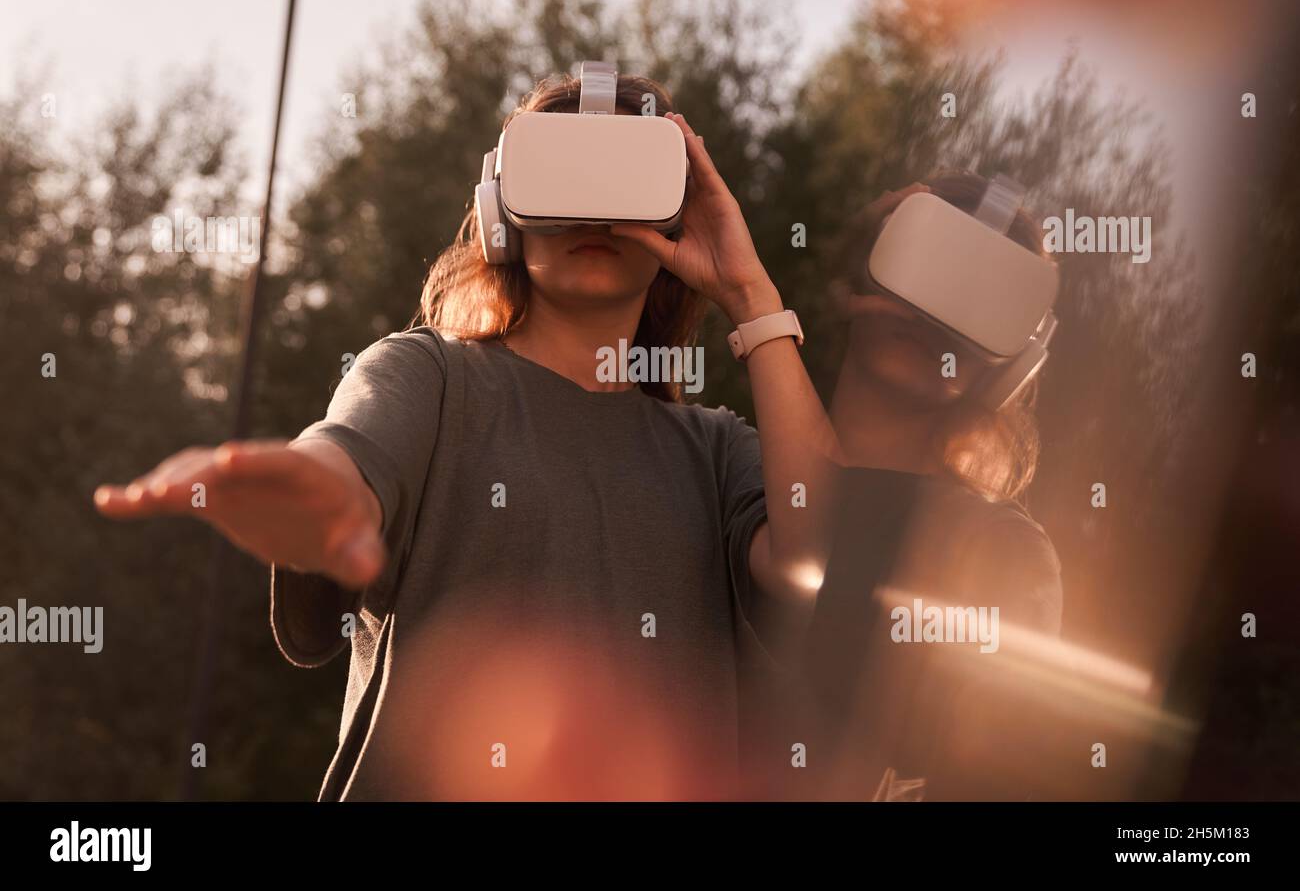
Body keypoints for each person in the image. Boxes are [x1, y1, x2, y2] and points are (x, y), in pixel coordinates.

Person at [93, 70, 838, 800]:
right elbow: (347, 457)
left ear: (679, 213)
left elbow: (829, 560)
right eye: (561, 173)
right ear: (501, 212)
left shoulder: (716, 453)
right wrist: (314, 491)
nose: (593, 211)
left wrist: (751, 295)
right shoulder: (430, 378)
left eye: (625, 177)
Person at [750, 174, 1065, 801]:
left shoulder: (999, 550)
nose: (931, 312)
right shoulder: (733, 475)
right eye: (924, 260)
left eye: (982, 298)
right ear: (860, 277)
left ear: (1016, 363)